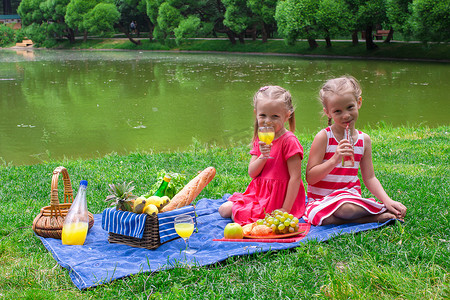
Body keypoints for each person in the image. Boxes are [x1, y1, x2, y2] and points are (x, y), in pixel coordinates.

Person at [304, 76, 407, 226]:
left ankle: (380, 210)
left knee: (347, 208)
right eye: (337, 111)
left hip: (349, 198)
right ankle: (373, 217)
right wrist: (335, 159)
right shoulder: (324, 137)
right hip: (321, 201)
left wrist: (387, 200)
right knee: (323, 217)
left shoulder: (363, 140)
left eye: (350, 107)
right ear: (328, 112)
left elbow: (370, 178)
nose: (346, 115)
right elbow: (310, 178)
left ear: (359, 103)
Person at [219, 85, 306, 225]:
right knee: (224, 210)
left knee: (239, 216)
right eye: (263, 115)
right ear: (256, 113)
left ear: (287, 116)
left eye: (275, 116)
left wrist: (285, 208)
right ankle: (249, 211)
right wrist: (263, 156)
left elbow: (295, 178)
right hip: (259, 194)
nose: (268, 121)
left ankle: (252, 215)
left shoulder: (289, 141)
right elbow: (252, 173)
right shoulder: (261, 138)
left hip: (280, 197)